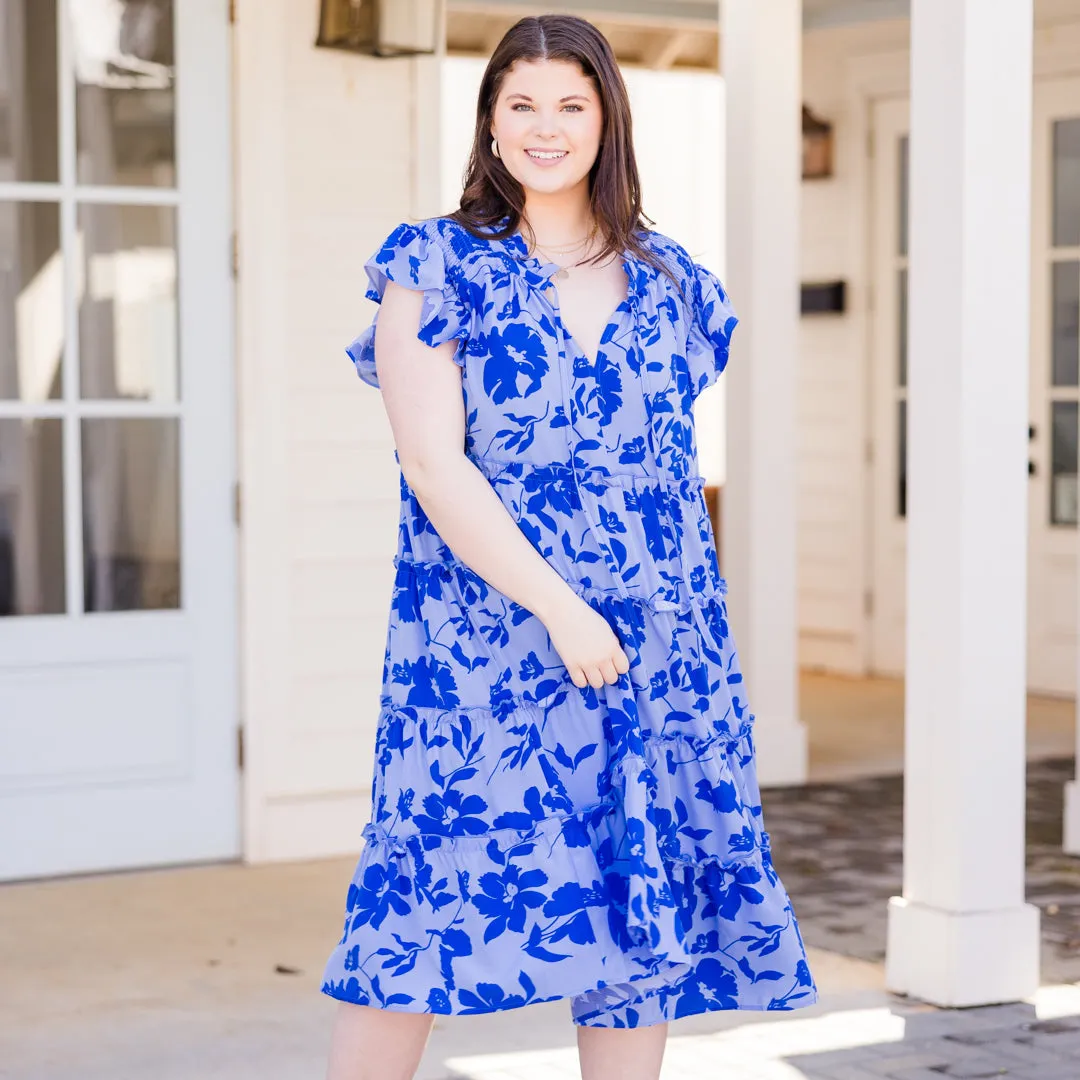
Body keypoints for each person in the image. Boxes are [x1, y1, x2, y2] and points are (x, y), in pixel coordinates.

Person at [322, 14, 816, 1080]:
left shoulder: (677, 286)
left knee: (640, 916)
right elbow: (433, 467)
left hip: (655, 650)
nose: (547, 127)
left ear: (607, 121)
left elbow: (663, 484)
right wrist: (561, 606)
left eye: (571, 104)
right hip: (487, 652)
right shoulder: (433, 264)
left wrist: (659, 633)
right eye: (522, 105)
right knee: (414, 917)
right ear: (491, 125)